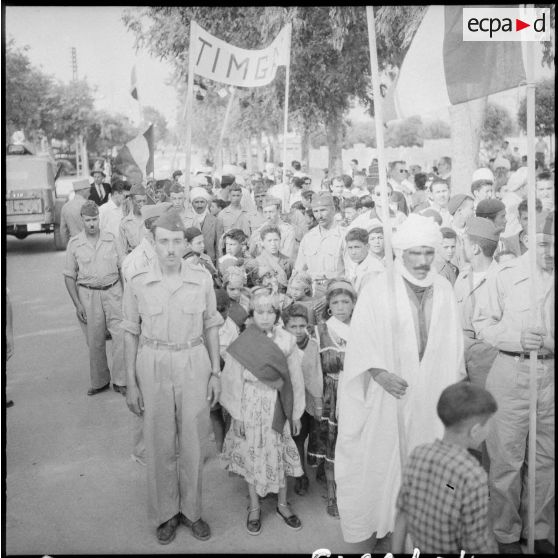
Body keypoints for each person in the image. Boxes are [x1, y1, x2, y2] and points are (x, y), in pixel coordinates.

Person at [336, 214, 465, 543]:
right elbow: (362, 343)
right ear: (401, 252)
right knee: (380, 466)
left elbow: (453, 348)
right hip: (389, 398)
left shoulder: (445, 290)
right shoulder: (380, 289)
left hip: (431, 397)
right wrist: (380, 374)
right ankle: (379, 528)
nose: (423, 262)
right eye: (414, 253)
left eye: (428, 253)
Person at [122, 209, 223, 544]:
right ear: (153, 242)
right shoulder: (138, 280)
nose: (170, 248)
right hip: (153, 361)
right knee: (159, 440)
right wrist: (132, 384)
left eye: (177, 241)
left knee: (194, 440)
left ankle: (192, 511)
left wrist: (216, 373)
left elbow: (211, 326)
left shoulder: (202, 278)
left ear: (185, 243)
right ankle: (165, 514)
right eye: (163, 241)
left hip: (194, 360)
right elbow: (129, 333)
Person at [473, 211, 555, 555]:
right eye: (543, 242)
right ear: (526, 239)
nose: (550, 250)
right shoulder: (505, 275)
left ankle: (538, 530)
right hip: (511, 372)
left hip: (551, 377)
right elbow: (483, 324)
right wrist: (516, 338)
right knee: (507, 459)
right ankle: (505, 532)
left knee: (547, 458)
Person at [219, 287, 305, 535]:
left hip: (277, 404)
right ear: (252, 314)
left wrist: (295, 413)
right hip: (250, 405)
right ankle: (255, 507)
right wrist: (237, 414)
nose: (265, 316)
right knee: (252, 452)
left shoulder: (287, 340)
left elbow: (295, 379)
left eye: (270, 311)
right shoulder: (243, 342)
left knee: (277, 452)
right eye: (260, 312)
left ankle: (282, 504)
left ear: (277, 314)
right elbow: (232, 379)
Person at [392, 383, 499, 554]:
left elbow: (401, 516)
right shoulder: (473, 476)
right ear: (475, 430)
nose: (490, 429)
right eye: (489, 424)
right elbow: (477, 543)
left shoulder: (418, 455)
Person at [63, 201, 126, 396]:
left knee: (121, 336)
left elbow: (122, 268)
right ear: (82, 220)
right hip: (88, 294)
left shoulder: (111, 238)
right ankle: (99, 382)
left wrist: (127, 297)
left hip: (114, 291)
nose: (92, 224)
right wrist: (77, 304)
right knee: (95, 339)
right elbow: (69, 276)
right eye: (88, 220)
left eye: (95, 219)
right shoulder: (74, 244)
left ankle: (121, 380)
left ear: (99, 218)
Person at [309, 279, 356, 518]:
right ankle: (332, 493)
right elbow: (314, 370)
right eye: (335, 302)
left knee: (353, 443)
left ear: (353, 304)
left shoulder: (361, 329)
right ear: (328, 305)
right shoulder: (320, 330)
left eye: (345, 302)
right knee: (332, 444)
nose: (340, 307)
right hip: (331, 394)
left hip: (355, 394)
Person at [453, 217, 500, 389]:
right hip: (459, 354)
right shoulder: (463, 276)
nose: (460, 247)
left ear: (475, 248)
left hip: (488, 357)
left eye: (463, 242)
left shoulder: (502, 278)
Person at [282, 302, 323, 495]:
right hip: (293, 401)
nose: (299, 331)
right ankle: (301, 475)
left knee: (316, 434)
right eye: (293, 327)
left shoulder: (315, 345)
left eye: (302, 326)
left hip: (313, 399)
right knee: (297, 437)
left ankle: (320, 466)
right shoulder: (281, 346)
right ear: (285, 327)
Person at [294, 192, 345, 297]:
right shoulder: (308, 238)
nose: (319, 216)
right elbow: (299, 270)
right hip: (312, 295)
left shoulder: (344, 236)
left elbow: (350, 272)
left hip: (336, 293)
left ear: (333, 210)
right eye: (316, 211)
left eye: (323, 210)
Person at [248, 196, 297, 261]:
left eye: (271, 212)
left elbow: (287, 255)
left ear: (278, 211)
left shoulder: (288, 230)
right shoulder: (259, 230)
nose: (268, 216)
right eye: (265, 212)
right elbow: (252, 254)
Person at [246, 225, 292, 290]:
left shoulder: (288, 262)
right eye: (269, 240)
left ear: (280, 240)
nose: (273, 244)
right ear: (262, 243)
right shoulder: (254, 263)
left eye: (276, 240)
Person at [344, 228, 383, 295]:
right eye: (350, 248)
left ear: (367, 247)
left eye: (357, 247)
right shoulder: (358, 264)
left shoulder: (373, 270)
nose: (353, 252)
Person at [189, 187, 218, 263]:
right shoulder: (187, 219)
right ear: (192, 204)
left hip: (209, 261)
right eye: (196, 202)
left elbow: (218, 246)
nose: (199, 205)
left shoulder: (214, 220)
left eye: (202, 202)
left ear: (207, 203)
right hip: (191, 261)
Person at [60, 178, 90, 245]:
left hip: (73, 244)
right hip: (89, 244)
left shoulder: (65, 207)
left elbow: (63, 230)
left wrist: (67, 246)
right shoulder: (89, 205)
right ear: (83, 191)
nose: (90, 193)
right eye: (88, 191)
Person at [120, 183, 147, 255]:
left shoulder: (151, 219)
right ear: (131, 200)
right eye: (139, 201)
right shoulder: (125, 223)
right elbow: (123, 250)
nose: (142, 204)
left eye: (144, 201)